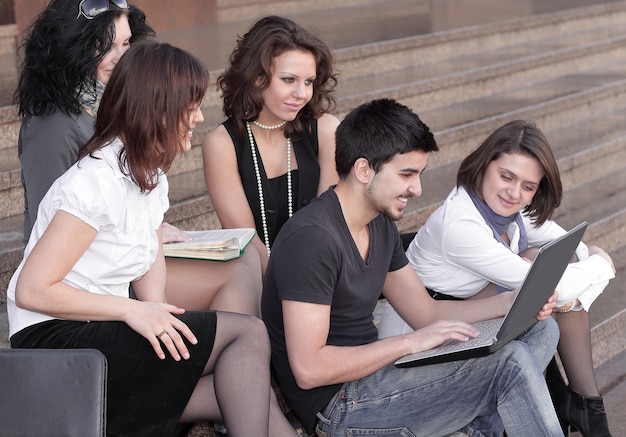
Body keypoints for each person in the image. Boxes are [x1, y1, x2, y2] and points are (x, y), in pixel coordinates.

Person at [7, 41, 296, 436]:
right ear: (157, 107)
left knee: (239, 384)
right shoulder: (96, 181)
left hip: (99, 328)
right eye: (189, 106)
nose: (198, 117)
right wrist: (133, 311)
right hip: (55, 339)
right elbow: (33, 291)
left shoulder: (149, 173)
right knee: (248, 333)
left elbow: (150, 251)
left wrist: (157, 308)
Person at [261, 98, 564, 436]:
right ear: (363, 170)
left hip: (381, 378)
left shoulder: (378, 223)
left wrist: (511, 303)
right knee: (510, 364)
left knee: (541, 329)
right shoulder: (312, 239)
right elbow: (309, 369)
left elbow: (425, 312)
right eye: (406, 174)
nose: (417, 189)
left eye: (418, 174)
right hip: (342, 406)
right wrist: (410, 344)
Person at [14, 0, 262, 316]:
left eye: (126, 43)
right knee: (237, 277)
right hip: (87, 279)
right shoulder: (54, 125)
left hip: (121, 256)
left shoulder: (118, 105)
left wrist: (149, 226)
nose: (121, 56)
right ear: (71, 47)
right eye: (104, 46)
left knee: (247, 259)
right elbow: (48, 224)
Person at [378, 120, 616, 436]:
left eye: (528, 187)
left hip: (467, 322)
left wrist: (589, 260)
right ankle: (582, 410)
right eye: (506, 176)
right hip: (421, 345)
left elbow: (571, 250)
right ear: (484, 165)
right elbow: (551, 286)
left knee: (548, 269)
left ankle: (583, 405)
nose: (514, 193)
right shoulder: (460, 225)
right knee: (542, 288)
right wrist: (604, 262)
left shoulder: (507, 210)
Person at [202, 15, 340, 273]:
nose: (302, 94)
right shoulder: (222, 144)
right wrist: (284, 288)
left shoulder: (326, 129)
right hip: (258, 276)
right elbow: (244, 236)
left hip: (321, 269)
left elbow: (330, 223)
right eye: (289, 80)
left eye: (308, 81)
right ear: (256, 77)